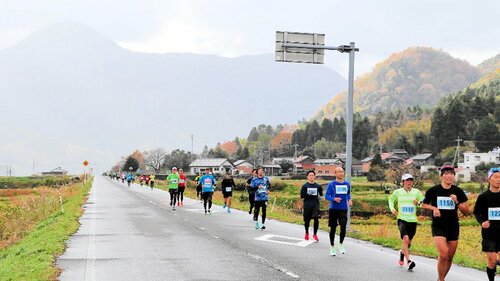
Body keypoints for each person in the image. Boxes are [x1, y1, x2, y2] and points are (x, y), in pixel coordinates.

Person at [422, 163, 470, 281]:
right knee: (443, 254)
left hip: (453, 227)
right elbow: (423, 204)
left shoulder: (458, 191)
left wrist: (457, 202)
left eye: (452, 174)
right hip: (438, 226)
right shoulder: (434, 190)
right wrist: (434, 208)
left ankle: (440, 279)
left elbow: (467, 212)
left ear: (454, 176)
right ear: (441, 176)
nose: (449, 176)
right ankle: (441, 279)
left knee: (449, 257)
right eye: (447, 174)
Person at [388, 173, 424, 270]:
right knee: (405, 239)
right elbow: (391, 200)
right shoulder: (398, 192)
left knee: (408, 243)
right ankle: (409, 261)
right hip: (402, 219)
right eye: (407, 180)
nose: (409, 182)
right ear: (403, 182)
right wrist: (392, 208)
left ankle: (402, 253)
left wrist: (418, 203)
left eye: (411, 180)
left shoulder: (417, 192)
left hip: (412, 220)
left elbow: (424, 202)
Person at [473, 167, 500, 281]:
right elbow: (477, 213)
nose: (498, 180)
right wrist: (482, 223)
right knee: (492, 260)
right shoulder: (483, 197)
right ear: (489, 179)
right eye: (496, 177)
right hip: (489, 233)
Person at [325, 166, 352, 256]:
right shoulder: (332, 184)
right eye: (339, 172)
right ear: (335, 173)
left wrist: (349, 200)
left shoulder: (347, 184)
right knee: (333, 228)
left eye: (342, 171)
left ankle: (340, 244)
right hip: (333, 209)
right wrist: (334, 199)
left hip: (343, 209)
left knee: (343, 226)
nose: (341, 173)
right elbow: (327, 196)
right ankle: (332, 246)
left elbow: (348, 194)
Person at [301, 170, 323, 242]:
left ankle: (315, 234)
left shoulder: (318, 186)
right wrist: (309, 194)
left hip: (315, 204)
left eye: (312, 175)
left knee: (316, 218)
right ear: (307, 177)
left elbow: (321, 194)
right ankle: (306, 233)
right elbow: (302, 196)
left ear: (314, 176)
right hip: (307, 205)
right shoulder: (305, 186)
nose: (311, 177)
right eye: (310, 175)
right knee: (307, 221)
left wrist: (321, 195)